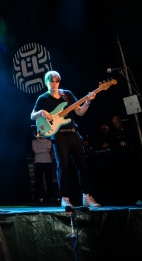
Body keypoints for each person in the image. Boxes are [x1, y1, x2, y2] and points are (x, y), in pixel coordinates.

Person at [30, 70, 100, 208]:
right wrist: (41, 112)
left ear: (59, 82)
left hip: (73, 133)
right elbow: (32, 116)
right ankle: (65, 198)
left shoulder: (66, 94)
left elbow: (79, 112)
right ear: (46, 82)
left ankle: (86, 196)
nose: (54, 84)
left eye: (56, 81)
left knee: (82, 165)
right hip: (59, 135)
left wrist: (88, 102)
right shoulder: (42, 98)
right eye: (51, 81)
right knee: (63, 167)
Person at [31, 135, 54, 204]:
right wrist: (45, 150)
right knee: (38, 181)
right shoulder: (34, 141)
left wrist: (42, 150)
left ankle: (50, 198)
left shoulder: (49, 141)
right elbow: (35, 151)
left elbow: (49, 151)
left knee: (49, 181)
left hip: (48, 162)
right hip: (38, 162)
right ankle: (36, 197)